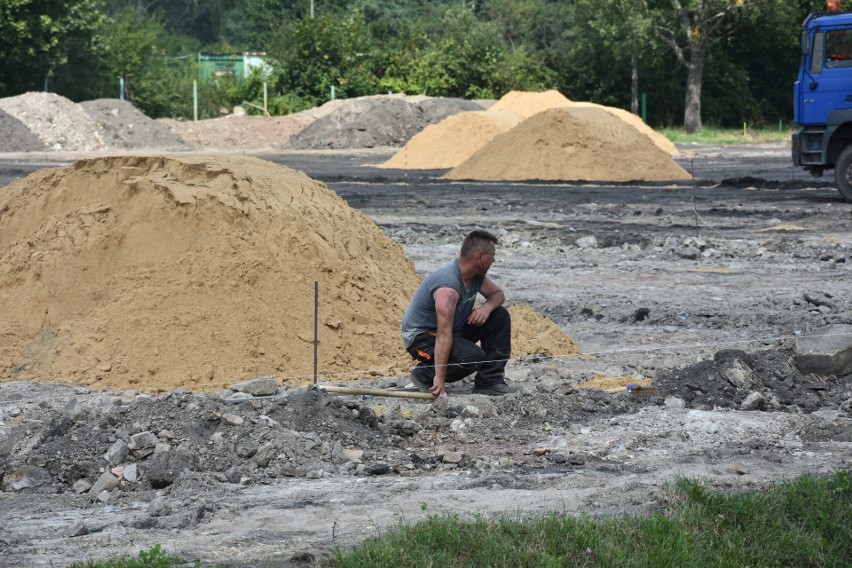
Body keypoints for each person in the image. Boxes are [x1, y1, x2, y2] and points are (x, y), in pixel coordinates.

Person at [400, 229, 517, 397]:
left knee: (499, 316)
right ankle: (424, 375)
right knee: (473, 356)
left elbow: (498, 295)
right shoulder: (448, 288)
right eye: (492, 255)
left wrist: (486, 308)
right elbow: (443, 334)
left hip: (452, 330)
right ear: (480, 257)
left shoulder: (475, 275)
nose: (494, 259)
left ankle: (489, 382)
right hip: (423, 337)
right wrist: (439, 379)